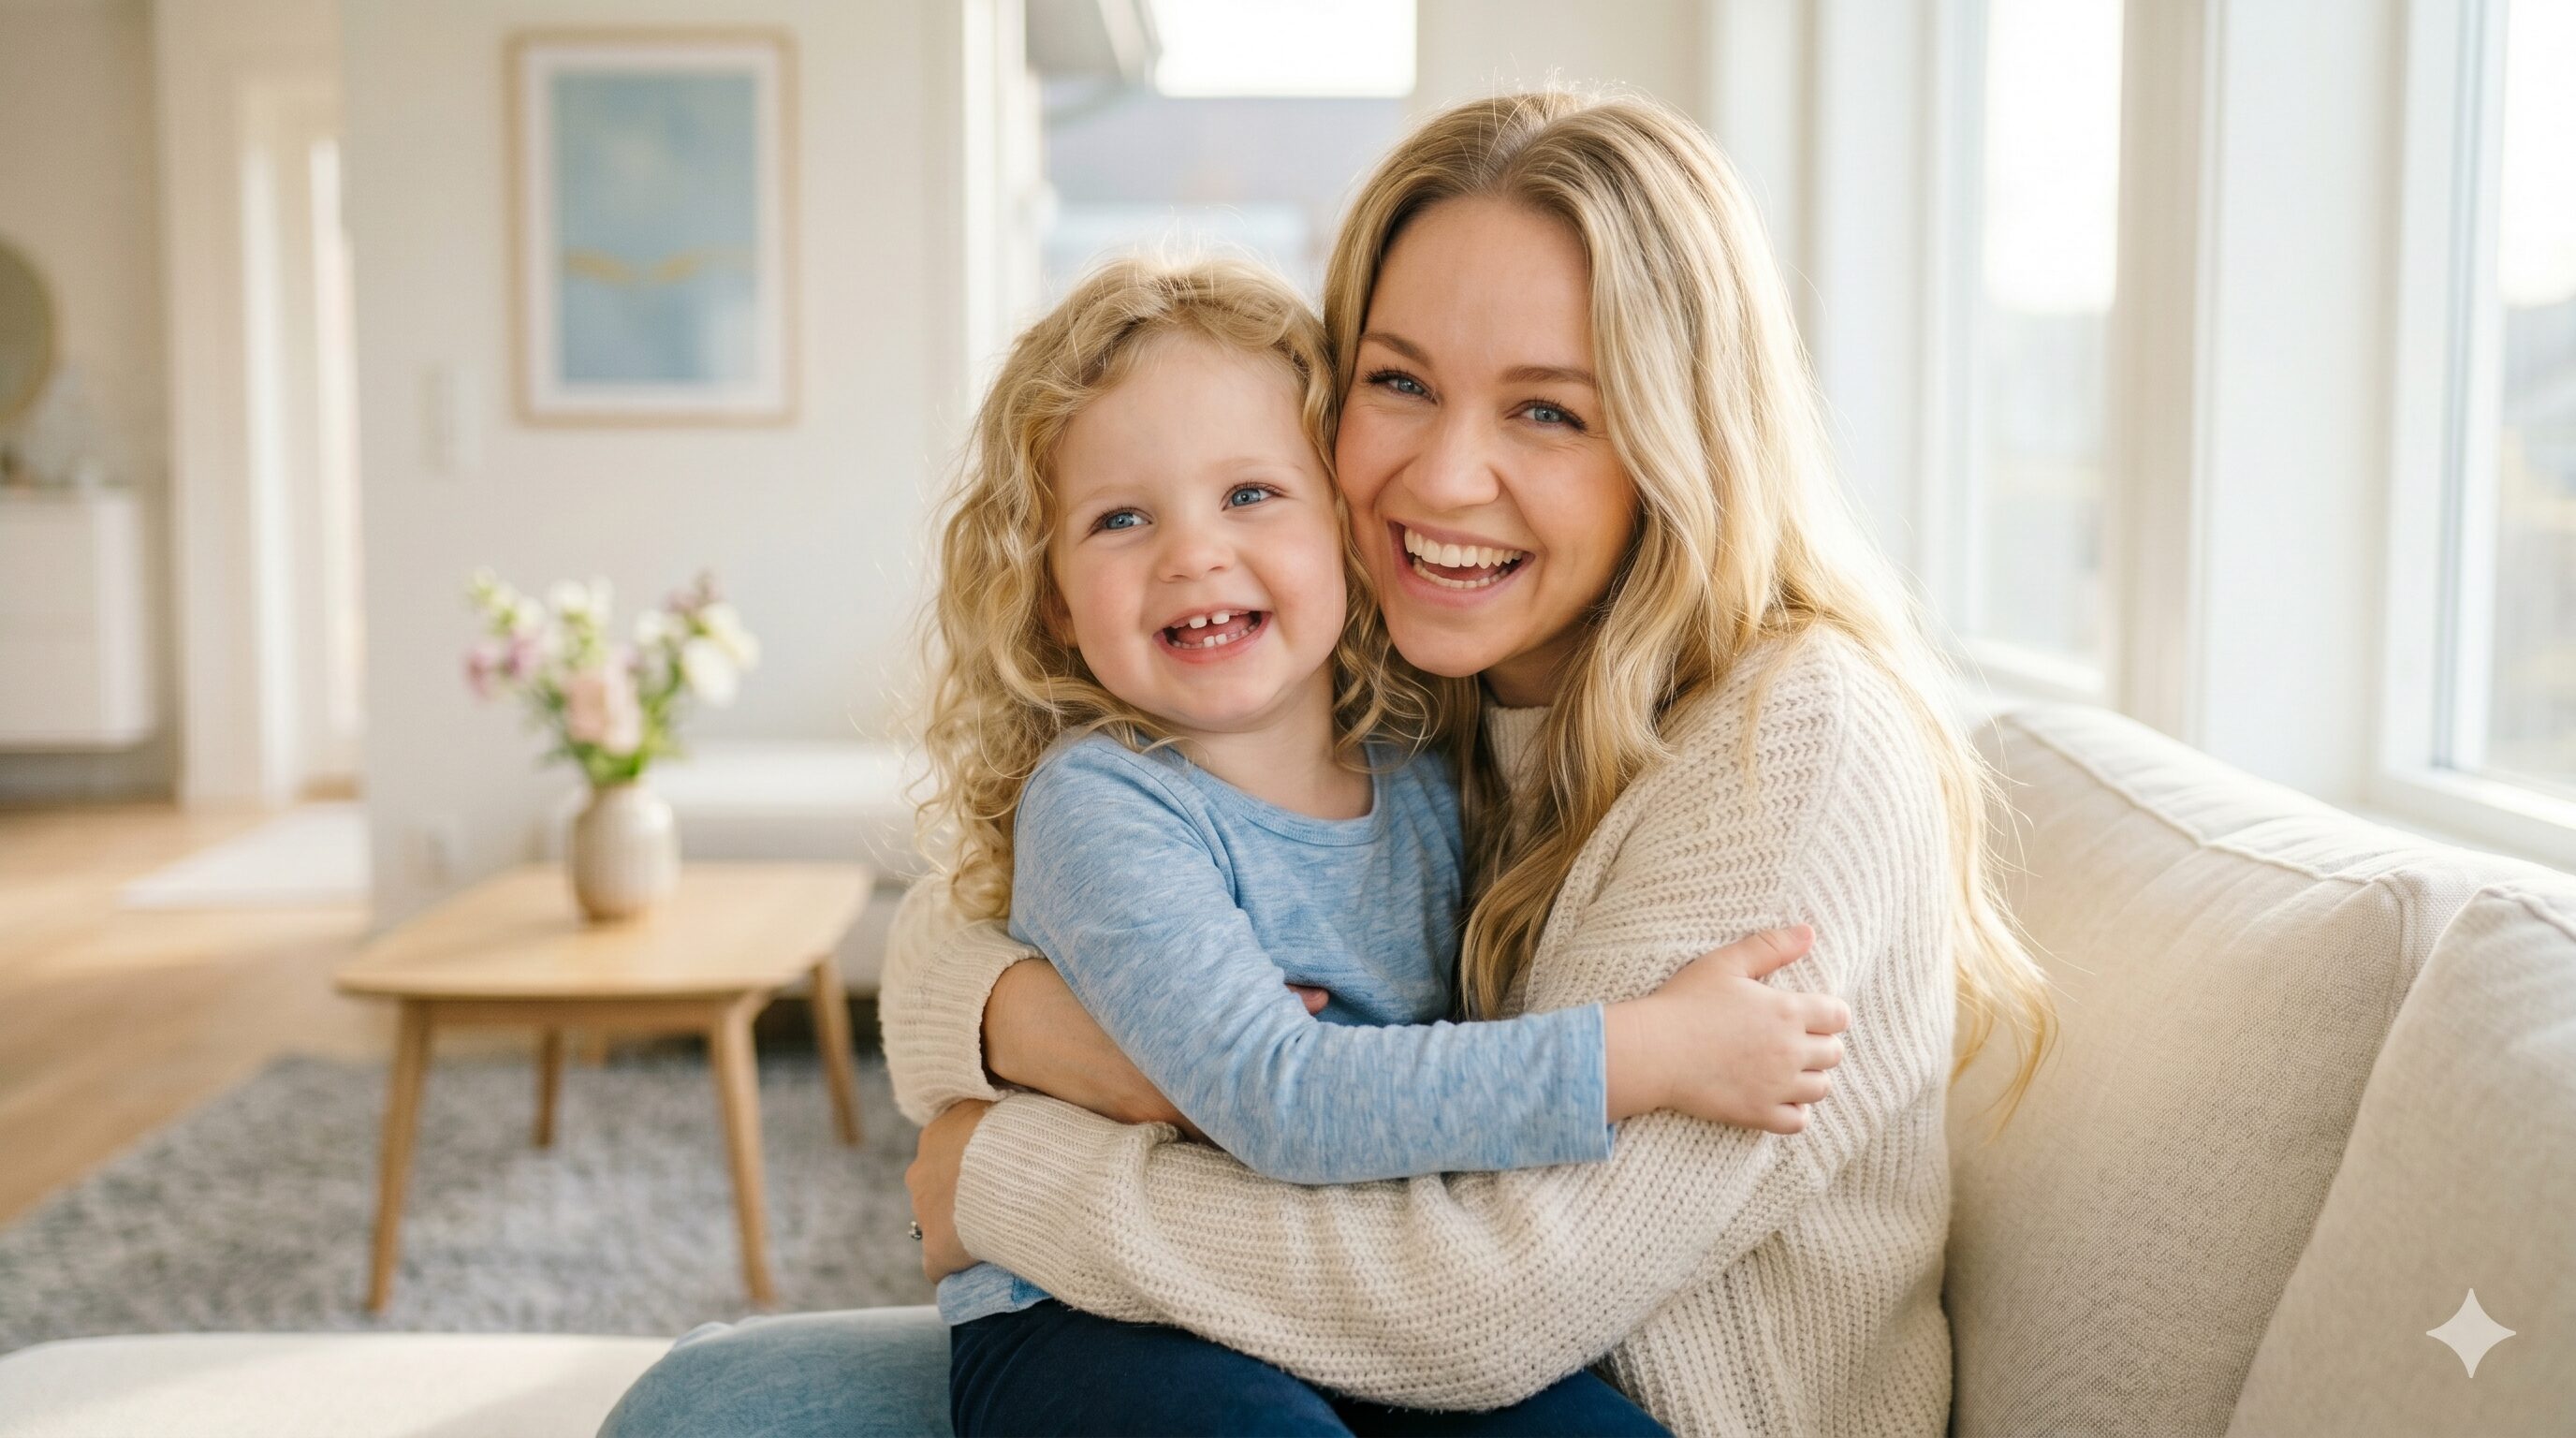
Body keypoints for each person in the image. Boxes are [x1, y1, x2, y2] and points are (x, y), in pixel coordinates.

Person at [602, 87, 2054, 1438]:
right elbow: (990, 906)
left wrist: (1003, 1175)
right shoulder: (1440, 692)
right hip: (1312, 1335)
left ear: (1680, 442)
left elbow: (1483, 1307)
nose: (1439, 477)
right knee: (705, 1401)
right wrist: (1023, 1028)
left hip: (1580, 1386)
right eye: (1401, 384)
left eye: (1547, 410)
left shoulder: (1788, 744)